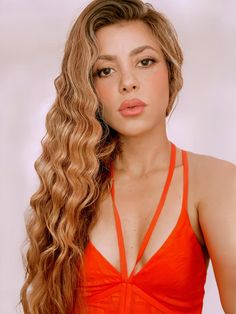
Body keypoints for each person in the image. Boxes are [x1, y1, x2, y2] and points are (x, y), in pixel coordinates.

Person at [20, 0, 236, 313]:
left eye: (145, 62)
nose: (128, 82)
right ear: (89, 89)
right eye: (105, 70)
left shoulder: (216, 183)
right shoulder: (71, 188)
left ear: (171, 72)